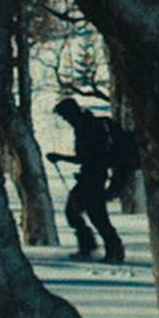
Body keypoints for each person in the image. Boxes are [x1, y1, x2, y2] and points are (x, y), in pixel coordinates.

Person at [48, 96, 129, 264]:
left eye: (65, 116)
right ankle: (97, 248)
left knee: (93, 215)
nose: (66, 120)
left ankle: (108, 250)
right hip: (91, 176)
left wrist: (61, 157)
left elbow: (89, 157)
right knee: (85, 213)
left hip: (93, 178)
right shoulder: (85, 125)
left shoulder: (88, 128)